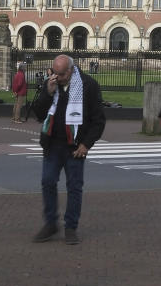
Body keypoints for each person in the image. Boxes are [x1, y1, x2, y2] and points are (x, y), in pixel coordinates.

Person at [29, 52, 105, 244]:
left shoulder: (88, 85)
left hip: (75, 146)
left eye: (61, 74)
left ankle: (71, 227)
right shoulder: (50, 83)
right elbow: (38, 114)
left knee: (74, 187)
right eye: (54, 73)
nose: (57, 77)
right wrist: (48, 92)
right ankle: (51, 223)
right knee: (47, 181)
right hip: (52, 144)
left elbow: (98, 120)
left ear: (71, 70)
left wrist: (86, 144)